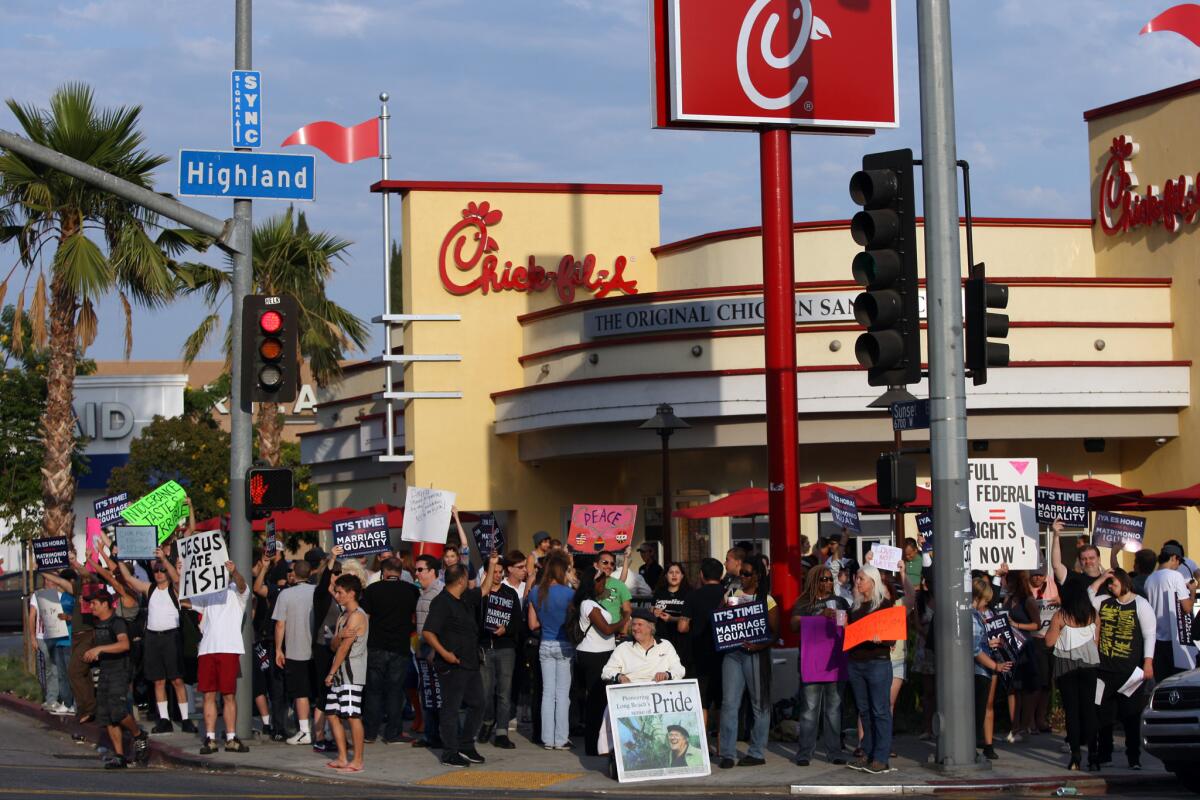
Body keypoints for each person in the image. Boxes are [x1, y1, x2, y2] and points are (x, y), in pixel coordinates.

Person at [422, 560, 494, 768]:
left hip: (470, 662)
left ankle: (466, 745)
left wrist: (493, 563)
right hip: (451, 665)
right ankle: (449, 752)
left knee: (478, 703)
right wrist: (445, 654)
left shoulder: (464, 598)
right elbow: (428, 632)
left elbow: (485, 589)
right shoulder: (441, 602)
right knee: (451, 708)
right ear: (462, 580)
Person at [118, 550, 196, 734]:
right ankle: (164, 719)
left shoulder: (175, 589)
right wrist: (120, 557)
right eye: (156, 570)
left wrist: (163, 560)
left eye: (162, 570)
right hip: (153, 637)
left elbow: (177, 580)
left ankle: (185, 719)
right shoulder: (149, 588)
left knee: (177, 679)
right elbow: (129, 579)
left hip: (172, 636)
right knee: (158, 681)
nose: (159, 573)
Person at [1088, 568, 1155, 770]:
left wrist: (1148, 662)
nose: (1110, 587)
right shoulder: (1103, 601)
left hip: (1130, 672)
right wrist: (1101, 579)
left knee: (1131, 716)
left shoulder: (1140, 604)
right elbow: (1088, 597)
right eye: (1109, 584)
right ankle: (1104, 753)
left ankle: (1133, 757)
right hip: (1104, 670)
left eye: (1113, 583)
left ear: (1125, 582)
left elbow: (1149, 635)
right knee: (1103, 715)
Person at [717, 554, 777, 770]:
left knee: (759, 704)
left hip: (756, 655)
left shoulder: (766, 600)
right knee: (729, 704)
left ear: (757, 577)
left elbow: (774, 633)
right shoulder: (732, 594)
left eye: (746, 574)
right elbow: (719, 621)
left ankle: (757, 751)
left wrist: (758, 647)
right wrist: (725, 609)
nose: (741, 576)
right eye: (741, 573)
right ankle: (727, 753)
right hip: (733, 653)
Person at [187, 557, 251, 754]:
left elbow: (242, 586)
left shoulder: (236, 591)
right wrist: (179, 574)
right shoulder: (206, 592)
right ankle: (210, 738)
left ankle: (231, 738)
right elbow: (184, 599)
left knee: (229, 695)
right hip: (207, 648)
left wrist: (235, 571)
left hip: (229, 648)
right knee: (208, 694)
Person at [82, 583, 149, 769]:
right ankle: (120, 755)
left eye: (94, 603)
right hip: (105, 670)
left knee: (118, 711)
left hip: (120, 670)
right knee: (106, 715)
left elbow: (124, 645)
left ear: (105, 604)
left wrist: (99, 648)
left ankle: (138, 735)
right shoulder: (98, 624)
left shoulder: (116, 622)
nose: (91, 606)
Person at [790, 564, 849, 767]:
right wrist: (818, 616)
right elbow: (794, 624)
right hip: (812, 664)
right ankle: (805, 752)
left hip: (834, 662)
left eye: (830, 579)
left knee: (833, 710)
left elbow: (848, 624)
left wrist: (843, 620)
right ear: (814, 581)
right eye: (823, 579)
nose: (828, 582)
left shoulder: (840, 601)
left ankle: (834, 751)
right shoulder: (804, 602)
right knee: (809, 710)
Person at [361, 556, 419, 745]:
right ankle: (392, 733)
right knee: (395, 691)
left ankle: (370, 733)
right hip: (400, 647)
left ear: (383, 573)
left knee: (373, 691)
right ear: (400, 573)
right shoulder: (411, 590)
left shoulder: (371, 590)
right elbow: (415, 618)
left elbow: (365, 619)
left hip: (375, 646)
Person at [845, 564, 895, 775]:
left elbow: (892, 637)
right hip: (856, 663)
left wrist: (880, 638)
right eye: (857, 578)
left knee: (880, 710)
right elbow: (850, 635)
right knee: (864, 711)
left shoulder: (884, 605)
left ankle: (881, 757)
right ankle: (867, 751)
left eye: (862, 579)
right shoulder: (854, 607)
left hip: (877, 662)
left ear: (873, 582)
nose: (857, 582)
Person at [1045, 578, 1100, 771]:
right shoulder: (1093, 614)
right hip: (1090, 663)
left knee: (1072, 712)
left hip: (1066, 664)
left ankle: (1075, 757)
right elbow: (1096, 641)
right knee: (1090, 710)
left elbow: (1049, 642)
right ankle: (1093, 755)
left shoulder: (1061, 616)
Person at [576, 568, 629, 756]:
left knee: (602, 701)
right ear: (593, 583)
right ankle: (592, 746)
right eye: (601, 582)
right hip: (593, 656)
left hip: (603, 654)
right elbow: (606, 629)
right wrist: (624, 620)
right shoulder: (587, 604)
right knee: (596, 702)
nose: (604, 586)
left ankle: (602, 744)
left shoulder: (594, 603)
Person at [527, 550, 575, 751]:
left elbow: (532, 624)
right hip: (564, 643)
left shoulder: (536, 591)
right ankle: (561, 738)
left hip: (545, 643)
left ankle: (547, 739)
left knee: (547, 693)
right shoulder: (570, 594)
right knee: (562, 694)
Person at [322, 574, 369, 772]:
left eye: (341, 592)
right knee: (332, 713)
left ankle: (357, 760)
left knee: (352, 714)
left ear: (351, 594)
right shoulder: (343, 616)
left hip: (350, 672)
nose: (337, 595)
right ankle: (342, 756)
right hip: (340, 671)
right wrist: (339, 635)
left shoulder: (358, 615)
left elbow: (344, 648)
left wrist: (331, 673)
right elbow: (335, 645)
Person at [477, 552, 522, 749]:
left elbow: (517, 621)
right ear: (486, 573)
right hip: (485, 646)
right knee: (486, 692)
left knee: (504, 692)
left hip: (505, 648)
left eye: (500, 572)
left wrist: (506, 629)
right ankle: (487, 721)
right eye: (494, 572)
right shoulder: (480, 594)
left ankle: (502, 731)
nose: (497, 575)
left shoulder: (509, 593)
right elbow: (472, 619)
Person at [273, 558, 317, 745]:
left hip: (295, 649)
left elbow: (280, 624)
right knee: (320, 693)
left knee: (301, 693)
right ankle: (324, 731)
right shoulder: (318, 592)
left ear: (294, 574)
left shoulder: (286, 595)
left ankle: (305, 730)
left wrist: (277, 649)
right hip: (317, 649)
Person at [678, 557, 726, 727]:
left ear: (701, 575)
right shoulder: (728, 594)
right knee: (721, 701)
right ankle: (722, 747)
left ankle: (704, 744)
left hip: (698, 654)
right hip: (724, 654)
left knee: (702, 700)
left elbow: (682, 627)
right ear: (721, 575)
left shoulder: (693, 596)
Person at [970, 577, 1010, 761]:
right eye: (986, 600)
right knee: (976, 712)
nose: (987, 604)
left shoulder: (976, 615)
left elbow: (978, 643)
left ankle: (980, 746)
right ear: (977, 597)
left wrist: (989, 641)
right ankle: (973, 749)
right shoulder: (972, 616)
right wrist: (996, 665)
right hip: (979, 670)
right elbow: (975, 649)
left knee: (980, 709)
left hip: (981, 670)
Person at [1144, 541, 1196, 680]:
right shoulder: (1175, 576)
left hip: (1155, 641)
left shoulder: (1149, 579)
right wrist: (1192, 593)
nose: (1178, 566)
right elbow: (1187, 608)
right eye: (1178, 561)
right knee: (1179, 682)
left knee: (1162, 683)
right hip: (1175, 640)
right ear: (1174, 558)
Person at [602, 606, 685, 682]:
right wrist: (619, 677)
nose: (635, 628)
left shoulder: (665, 645)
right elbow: (606, 671)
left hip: (659, 690)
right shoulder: (624, 647)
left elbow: (679, 669)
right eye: (633, 624)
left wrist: (667, 674)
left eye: (639, 624)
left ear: (650, 628)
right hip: (631, 692)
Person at [413, 553, 444, 750]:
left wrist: (434, 649)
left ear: (432, 571)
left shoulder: (438, 592)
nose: (417, 574)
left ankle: (439, 735)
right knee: (428, 695)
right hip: (423, 650)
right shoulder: (424, 592)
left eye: (420, 570)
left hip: (433, 651)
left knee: (437, 695)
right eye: (416, 570)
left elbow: (440, 624)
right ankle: (430, 734)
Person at [651, 562, 691, 669]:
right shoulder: (659, 592)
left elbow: (691, 618)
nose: (674, 575)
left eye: (677, 572)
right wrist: (654, 612)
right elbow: (651, 609)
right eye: (671, 572)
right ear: (665, 575)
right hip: (661, 636)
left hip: (681, 639)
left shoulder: (689, 593)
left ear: (682, 575)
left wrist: (672, 619)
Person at [1051, 519, 1104, 595]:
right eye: (1084, 559)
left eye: (1091, 558)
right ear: (1079, 561)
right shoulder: (1074, 579)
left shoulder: (1108, 580)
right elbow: (1056, 565)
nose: (1088, 562)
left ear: (1099, 559)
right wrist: (1056, 536)